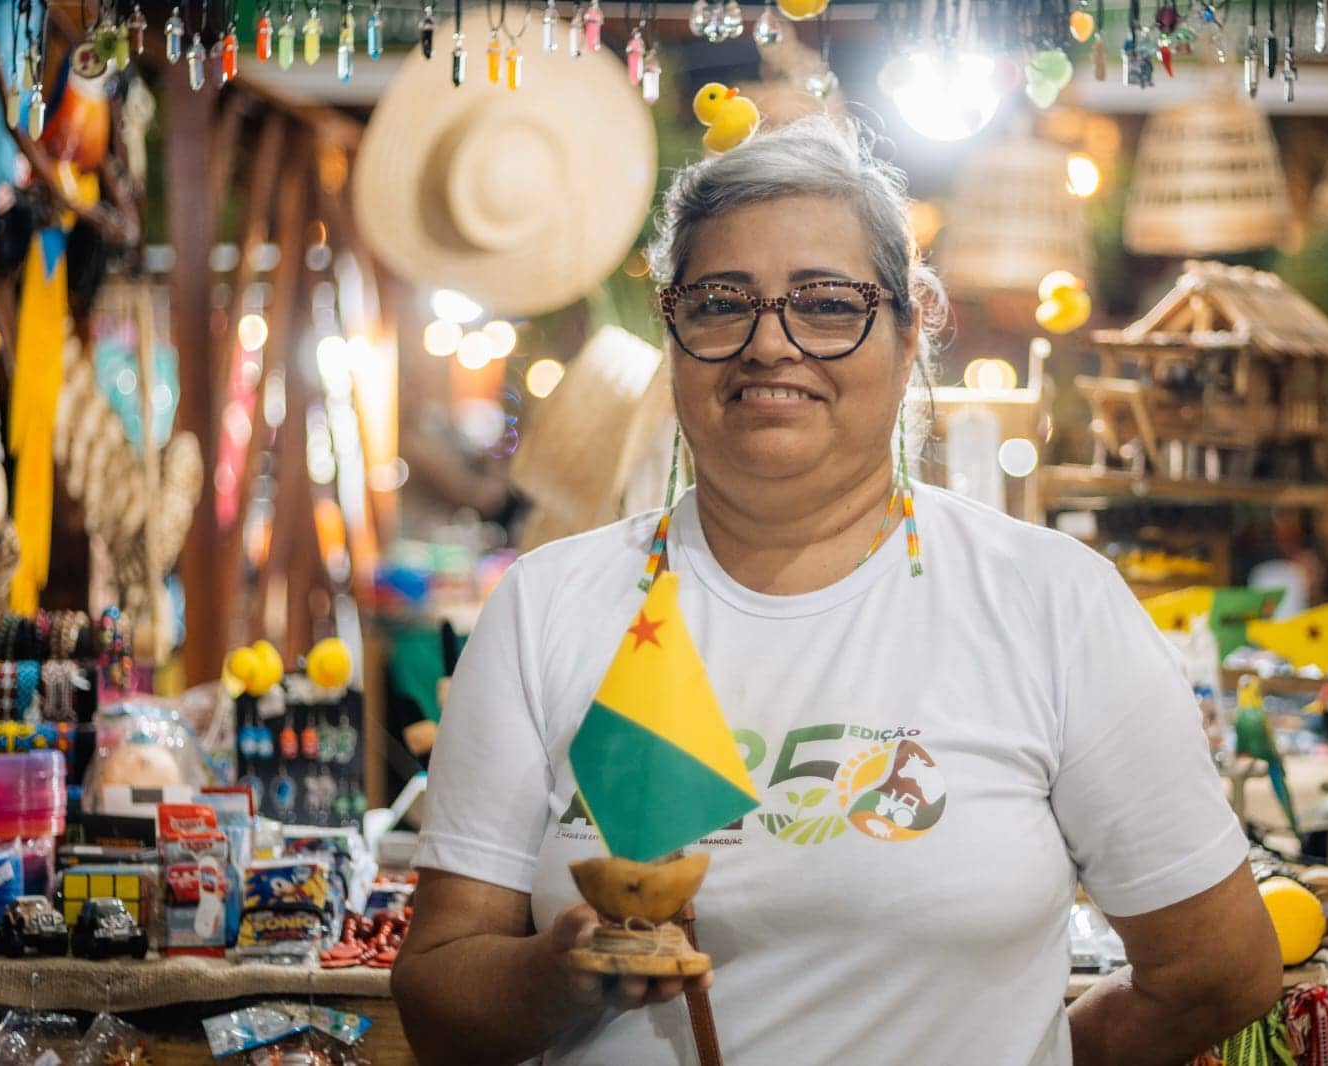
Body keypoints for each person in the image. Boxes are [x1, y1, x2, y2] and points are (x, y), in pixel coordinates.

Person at [392, 116, 1281, 1066]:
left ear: (909, 331)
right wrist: (557, 974)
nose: (769, 344)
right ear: (674, 330)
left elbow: (1215, 971)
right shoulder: (547, 605)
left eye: (825, 304)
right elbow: (438, 997)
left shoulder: (1051, 602)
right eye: (721, 302)